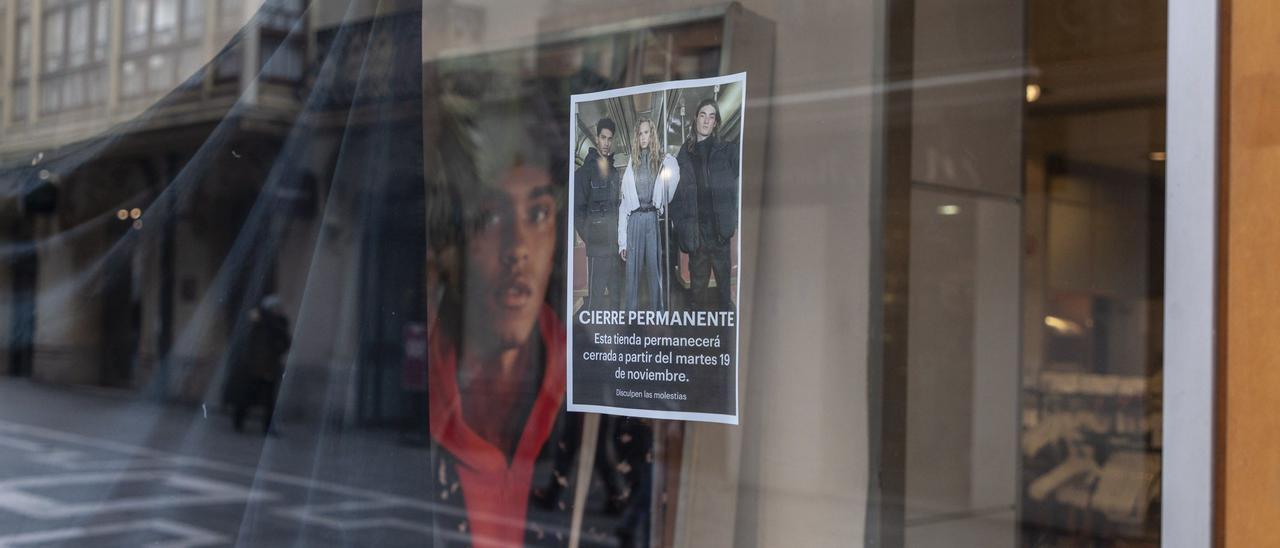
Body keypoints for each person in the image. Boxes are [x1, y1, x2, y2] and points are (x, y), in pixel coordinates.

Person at [427, 159, 652, 546]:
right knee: (588, 451)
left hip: (592, 402)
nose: (516, 250)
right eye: (491, 218)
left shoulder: (569, 341)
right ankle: (594, 494)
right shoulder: (446, 377)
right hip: (586, 402)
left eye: (538, 213)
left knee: (592, 450)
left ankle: (604, 496)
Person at [672, 98, 739, 310]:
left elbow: (739, 187)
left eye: (712, 117)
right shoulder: (683, 156)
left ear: (716, 123)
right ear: (695, 118)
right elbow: (674, 199)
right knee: (697, 295)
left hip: (720, 232)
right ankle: (698, 337)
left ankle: (726, 338)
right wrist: (683, 227)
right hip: (696, 234)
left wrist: (732, 216)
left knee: (724, 294)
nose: (706, 121)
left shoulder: (728, 152)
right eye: (703, 115)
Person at [618, 116, 680, 311]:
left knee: (655, 271)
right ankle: (631, 316)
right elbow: (624, 205)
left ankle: (658, 314)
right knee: (632, 273)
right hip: (634, 219)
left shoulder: (661, 161)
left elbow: (671, 189)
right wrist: (622, 242)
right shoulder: (632, 164)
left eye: (646, 133)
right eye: (640, 133)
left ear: (652, 135)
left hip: (652, 218)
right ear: (636, 137)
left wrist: (666, 160)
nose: (643, 137)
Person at [573, 118, 623, 310]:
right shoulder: (584, 173)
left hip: (614, 247)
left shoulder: (614, 174)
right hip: (597, 249)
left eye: (610, 139)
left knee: (617, 299)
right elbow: (579, 212)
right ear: (596, 138)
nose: (606, 143)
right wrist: (591, 237)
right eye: (603, 137)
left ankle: (618, 337)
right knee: (595, 301)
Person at [231, 294, 291, 435]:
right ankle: (239, 420)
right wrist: (263, 368)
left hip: (269, 366)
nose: (280, 310)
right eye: (277, 307)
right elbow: (260, 348)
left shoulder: (277, 323)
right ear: (271, 309)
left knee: (268, 400)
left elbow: (284, 342)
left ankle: (266, 426)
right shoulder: (263, 324)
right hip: (259, 368)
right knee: (250, 396)